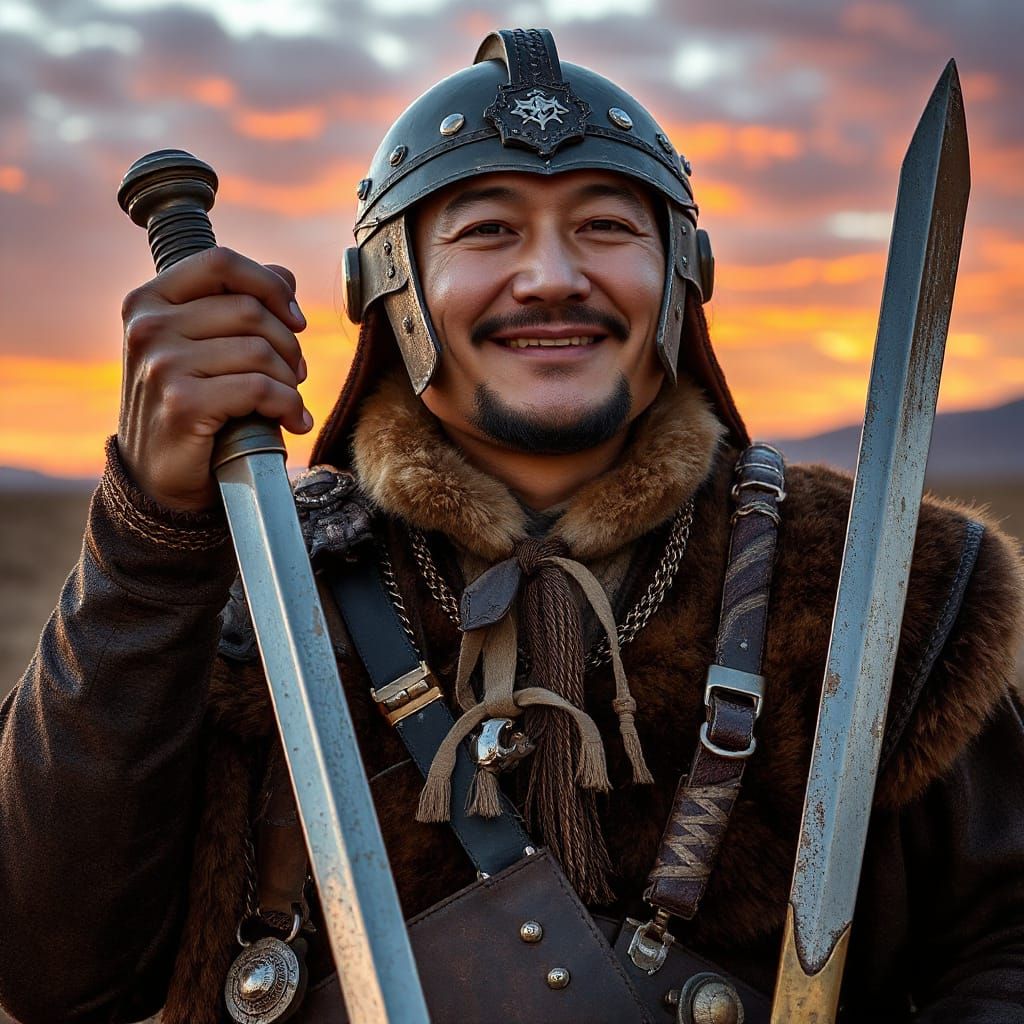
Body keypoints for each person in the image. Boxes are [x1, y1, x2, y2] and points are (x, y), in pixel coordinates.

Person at [2, 26, 1023, 1024]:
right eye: (487, 228)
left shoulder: (863, 576)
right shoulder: (250, 583)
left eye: (606, 226)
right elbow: (54, 976)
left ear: (678, 278)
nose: (549, 275)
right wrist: (148, 538)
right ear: (392, 287)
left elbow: (1007, 941)